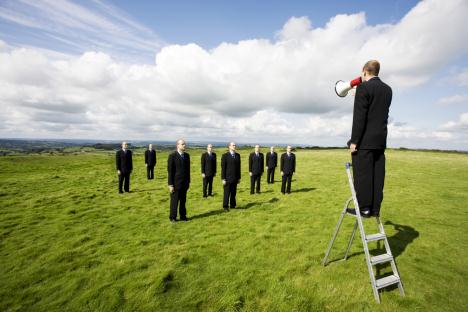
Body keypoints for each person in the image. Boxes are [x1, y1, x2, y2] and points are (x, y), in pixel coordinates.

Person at [347, 60, 392, 218]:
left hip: (365, 142)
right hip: (380, 141)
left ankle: (364, 208)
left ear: (364, 71)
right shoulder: (388, 89)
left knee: (363, 175)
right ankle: (375, 208)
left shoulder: (363, 88)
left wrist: (354, 141)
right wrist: (359, 95)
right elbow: (376, 109)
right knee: (377, 175)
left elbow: (360, 118)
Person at [167, 139, 191, 222]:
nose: (184, 145)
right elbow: (170, 172)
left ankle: (183, 216)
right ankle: (172, 217)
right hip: (175, 183)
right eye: (182, 144)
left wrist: (188, 182)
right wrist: (170, 185)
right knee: (174, 202)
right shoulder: (172, 156)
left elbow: (188, 170)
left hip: (184, 183)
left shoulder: (187, 156)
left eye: (185, 144)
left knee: (183, 201)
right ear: (178, 145)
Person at [221, 142, 241, 211]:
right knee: (226, 193)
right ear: (229, 147)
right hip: (227, 178)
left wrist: (239, 177)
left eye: (235, 145)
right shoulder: (225, 156)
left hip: (235, 178)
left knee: (233, 192)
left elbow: (239, 167)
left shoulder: (238, 155)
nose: (234, 146)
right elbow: (223, 168)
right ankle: (225, 206)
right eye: (233, 145)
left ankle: (233, 205)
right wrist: (223, 178)